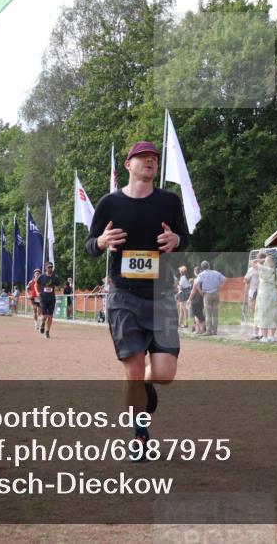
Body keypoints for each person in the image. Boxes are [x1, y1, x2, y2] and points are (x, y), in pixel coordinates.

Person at [85, 140, 189, 460]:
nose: (150, 161)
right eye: (143, 157)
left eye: (154, 158)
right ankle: (140, 438)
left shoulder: (169, 201)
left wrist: (176, 239)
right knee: (131, 371)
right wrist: (101, 241)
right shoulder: (109, 203)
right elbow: (90, 245)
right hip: (123, 296)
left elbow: (184, 238)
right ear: (128, 165)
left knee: (164, 374)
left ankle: (147, 386)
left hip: (160, 297)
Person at [191, 260, 225, 336]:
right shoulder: (216, 273)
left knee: (208, 313)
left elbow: (196, 283)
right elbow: (224, 279)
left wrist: (201, 291)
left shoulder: (201, 274)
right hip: (216, 294)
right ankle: (215, 331)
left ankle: (209, 331)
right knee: (215, 314)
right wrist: (219, 287)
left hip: (207, 294)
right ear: (209, 266)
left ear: (202, 268)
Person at [254, 254, 277, 343]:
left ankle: (265, 337)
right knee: (273, 315)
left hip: (263, 294)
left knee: (263, 315)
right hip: (273, 294)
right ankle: (272, 336)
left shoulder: (263, 269)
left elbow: (253, 263)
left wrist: (262, 259)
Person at [38, 263, 59, 338]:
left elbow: (57, 286)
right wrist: (38, 292)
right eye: (49, 267)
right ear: (46, 268)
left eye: (51, 267)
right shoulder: (42, 277)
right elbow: (37, 284)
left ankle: (47, 331)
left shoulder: (55, 277)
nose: (50, 268)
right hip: (43, 298)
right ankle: (43, 323)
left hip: (52, 298)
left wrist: (56, 288)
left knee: (50, 316)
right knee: (45, 316)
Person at [243, 256, 260, 328]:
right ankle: (259, 328)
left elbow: (245, 280)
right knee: (256, 311)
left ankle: (257, 329)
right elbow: (246, 280)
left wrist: (247, 284)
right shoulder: (268, 268)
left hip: (255, 292)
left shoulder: (253, 269)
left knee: (255, 311)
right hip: (256, 292)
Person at [189, 266, 206, 334]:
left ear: (195, 272)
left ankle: (198, 330)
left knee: (197, 315)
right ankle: (200, 329)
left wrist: (189, 299)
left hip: (195, 299)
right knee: (199, 314)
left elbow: (193, 291)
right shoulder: (204, 280)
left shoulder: (196, 280)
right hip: (201, 299)